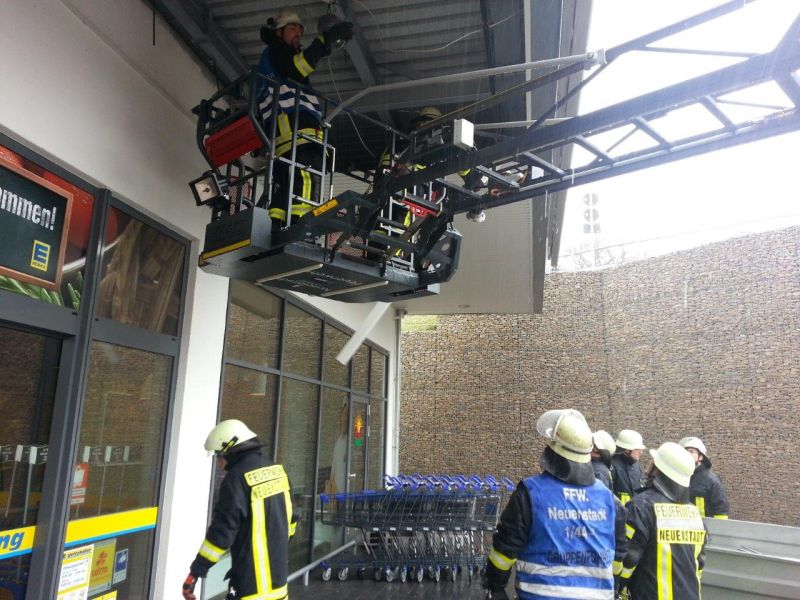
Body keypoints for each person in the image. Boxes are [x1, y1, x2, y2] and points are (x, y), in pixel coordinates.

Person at [483, 409, 619, 600]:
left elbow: (505, 548)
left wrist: (496, 587)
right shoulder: (609, 499)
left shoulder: (530, 493)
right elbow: (618, 557)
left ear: (551, 453)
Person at [256, 9, 353, 230]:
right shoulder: (276, 51)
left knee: (292, 185)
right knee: (304, 181)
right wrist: (325, 40)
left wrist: (325, 44)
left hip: (298, 133)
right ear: (279, 32)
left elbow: (299, 67)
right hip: (293, 131)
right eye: (293, 28)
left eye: (300, 29)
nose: (298, 33)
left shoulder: (280, 58)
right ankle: (298, 229)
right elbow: (298, 68)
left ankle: (280, 226)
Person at [182, 419, 296, 600]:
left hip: (251, 589)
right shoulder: (278, 471)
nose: (218, 462)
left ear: (230, 450)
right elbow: (291, 522)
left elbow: (221, 533)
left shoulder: (236, 479)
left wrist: (196, 572)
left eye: (218, 455)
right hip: (279, 585)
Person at [619, 442, 708, 600]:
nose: (648, 464)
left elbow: (627, 561)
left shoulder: (641, 506)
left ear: (658, 470)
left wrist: (618, 589)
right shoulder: (695, 515)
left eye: (653, 461)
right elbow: (698, 565)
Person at [679, 436, 729, 519]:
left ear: (701, 457)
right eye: (685, 451)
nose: (687, 454)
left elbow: (721, 513)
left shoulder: (711, 481)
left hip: (703, 526)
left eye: (691, 451)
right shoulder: (678, 477)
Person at [611, 429, 646, 505]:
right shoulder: (612, 466)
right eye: (638, 449)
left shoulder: (637, 466)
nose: (641, 452)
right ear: (627, 450)